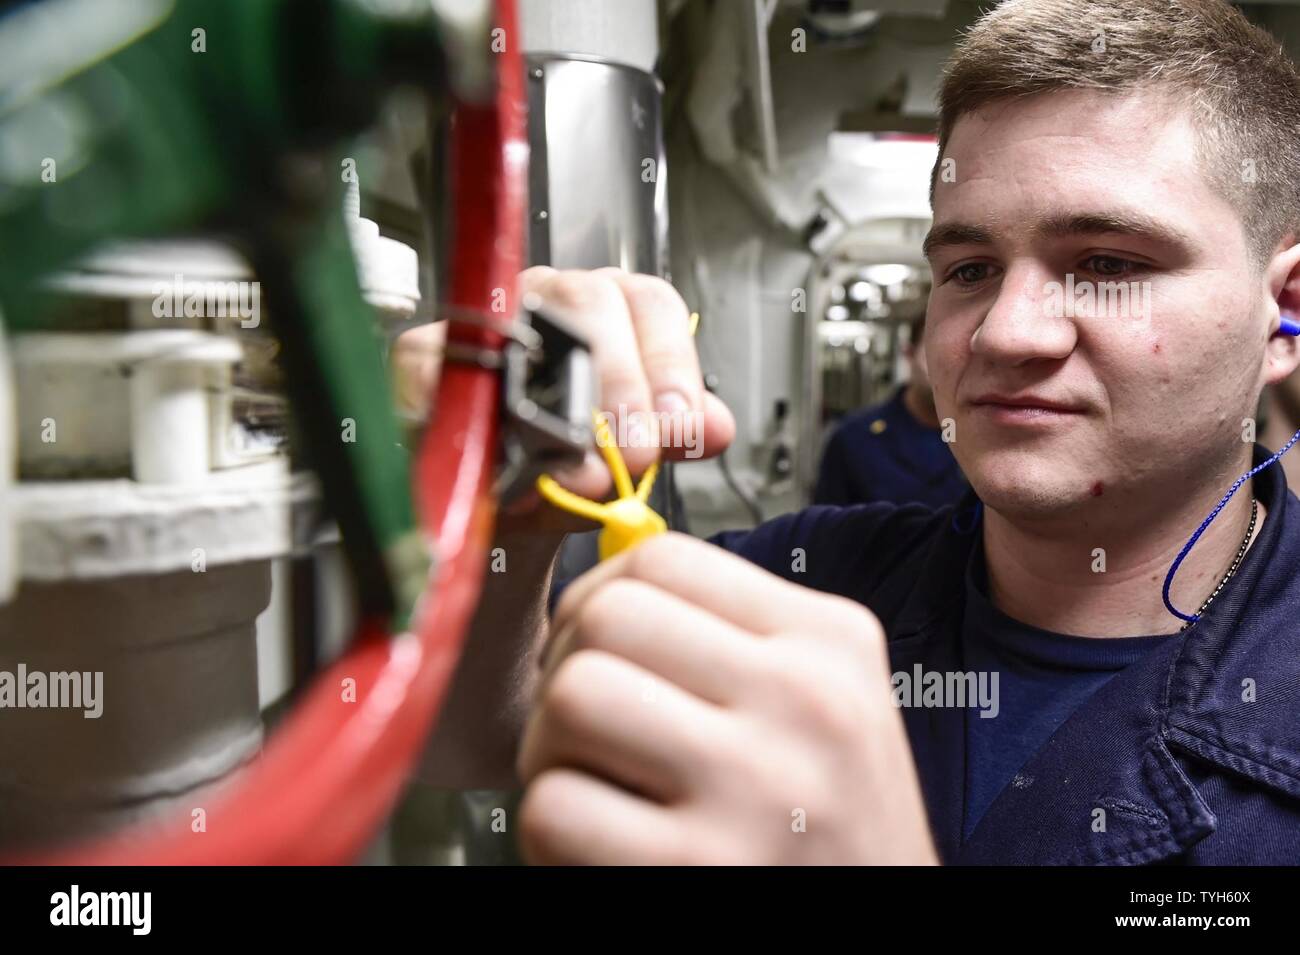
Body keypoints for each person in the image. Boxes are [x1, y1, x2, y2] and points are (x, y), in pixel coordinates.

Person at [410, 0, 1300, 864]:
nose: (1004, 331)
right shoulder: (818, 578)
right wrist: (509, 525)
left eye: (1108, 264)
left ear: (1283, 314)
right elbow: (477, 745)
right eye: (971, 268)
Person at [814, 313, 968, 508]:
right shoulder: (854, 440)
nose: (946, 368)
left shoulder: (984, 438)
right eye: (936, 353)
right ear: (909, 354)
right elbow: (829, 530)